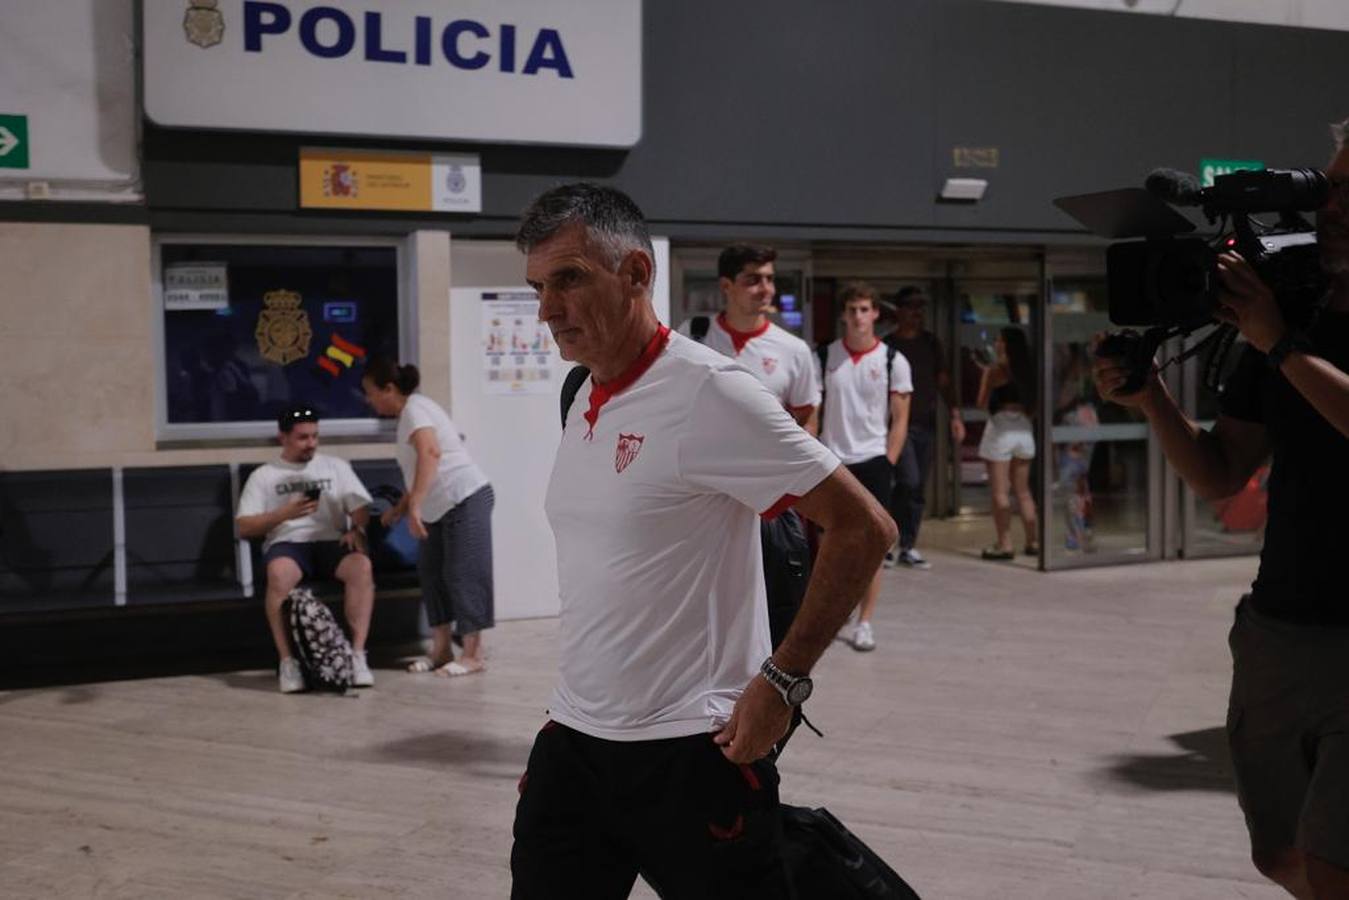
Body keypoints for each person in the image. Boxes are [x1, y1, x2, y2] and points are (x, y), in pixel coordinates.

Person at [510, 183, 895, 899]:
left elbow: (863, 527)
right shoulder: (580, 392)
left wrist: (781, 682)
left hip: (695, 752)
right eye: (537, 286)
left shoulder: (709, 392)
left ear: (634, 273)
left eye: (568, 279)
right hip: (574, 741)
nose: (547, 311)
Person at [1093, 119, 1349, 899]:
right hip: (1279, 629)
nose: (1332, 204)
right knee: (1277, 856)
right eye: (1332, 185)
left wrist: (1278, 346)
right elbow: (1217, 474)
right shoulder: (1291, 305)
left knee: (1337, 867)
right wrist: (1151, 400)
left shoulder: (1280, 330)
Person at [677, 243, 821, 648]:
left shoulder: (794, 352)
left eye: (770, 279)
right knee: (705, 612)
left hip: (770, 507)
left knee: (773, 607)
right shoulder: (694, 337)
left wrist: (795, 487)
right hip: (704, 501)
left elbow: (807, 418)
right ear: (727, 285)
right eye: (753, 279)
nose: (765, 288)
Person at [361, 359, 494, 678]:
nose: (368, 399)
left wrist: (415, 507)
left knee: (463, 573)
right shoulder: (410, 414)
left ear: (389, 389)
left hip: (464, 497)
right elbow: (421, 469)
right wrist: (403, 507)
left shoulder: (415, 409)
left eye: (370, 392)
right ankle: (441, 649)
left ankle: (474, 654)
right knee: (432, 573)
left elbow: (430, 453)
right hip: (439, 505)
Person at [235, 406, 375, 693]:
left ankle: (357, 656)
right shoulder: (264, 475)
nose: (311, 444)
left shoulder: (336, 466)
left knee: (361, 567)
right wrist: (283, 514)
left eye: (315, 436)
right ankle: (288, 662)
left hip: (329, 541)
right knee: (279, 573)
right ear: (282, 437)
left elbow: (360, 507)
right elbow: (244, 527)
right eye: (302, 438)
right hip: (288, 544)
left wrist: (356, 529)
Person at [815, 281, 912, 652]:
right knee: (829, 547)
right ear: (844, 314)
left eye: (864, 309)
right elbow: (814, 413)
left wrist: (888, 461)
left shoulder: (892, 360)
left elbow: (900, 417)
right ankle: (831, 614)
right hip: (832, 460)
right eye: (852, 309)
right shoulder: (823, 357)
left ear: (874, 313)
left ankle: (865, 622)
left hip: (873, 460)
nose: (858, 316)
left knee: (872, 546)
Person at [884, 286, 966, 569]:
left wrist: (955, 415)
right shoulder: (888, 346)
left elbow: (943, 381)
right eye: (911, 307)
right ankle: (890, 542)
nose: (917, 313)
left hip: (926, 426)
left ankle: (908, 545)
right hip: (896, 426)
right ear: (899, 311)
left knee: (917, 487)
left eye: (920, 308)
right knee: (906, 481)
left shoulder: (931, 343)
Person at [975, 327, 1039, 561]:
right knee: (1023, 492)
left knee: (1000, 492)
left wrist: (985, 377)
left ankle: (1005, 544)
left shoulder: (994, 371)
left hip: (1000, 430)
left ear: (1005, 345)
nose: (997, 343)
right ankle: (1033, 541)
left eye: (999, 340)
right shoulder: (1030, 372)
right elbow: (1035, 407)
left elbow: (981, 403)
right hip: (1024, 430)